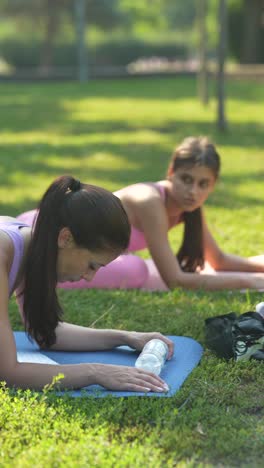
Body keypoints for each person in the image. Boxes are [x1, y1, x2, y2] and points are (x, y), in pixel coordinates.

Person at [17, 137, 264, 292]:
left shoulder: (190, 208)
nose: (193, 191)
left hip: (71, 243)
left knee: (137, 267)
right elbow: (175, 280)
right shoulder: (150, 201)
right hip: (46, 233)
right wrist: (251, 282)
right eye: (186, 179)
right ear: (171, 172)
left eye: (203, 184)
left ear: (213, 184)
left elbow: (218, 260)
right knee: (137, 270)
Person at [0, 175, 173, 392]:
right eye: (92, 265)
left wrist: (125, 337)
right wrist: (95, 372)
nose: (89, 277)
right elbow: (7, 372)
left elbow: (46, 334)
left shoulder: (32, 246)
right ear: (65, 238)